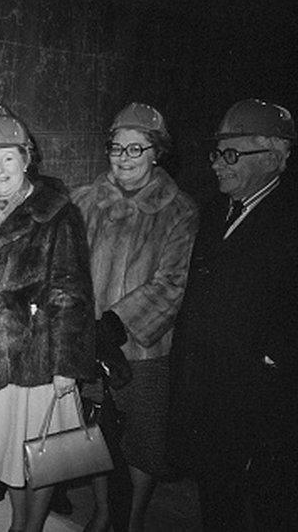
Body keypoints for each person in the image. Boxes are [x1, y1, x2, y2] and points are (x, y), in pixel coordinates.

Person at [170, 99, 298, 530]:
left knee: (267, 504)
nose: (217, 166)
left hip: (262, 401)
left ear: (274, 156)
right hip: (208, 391)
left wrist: (270, 362)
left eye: (231, 154)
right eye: (216, 153)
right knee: (216, 497)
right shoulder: (214, 211)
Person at [0, 114, 97, 532]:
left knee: (40, 455)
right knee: (10, 454)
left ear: (27, 159)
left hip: (38, 357)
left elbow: (70, 292)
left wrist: (65, 366)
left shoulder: (56, 214)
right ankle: (18, 524)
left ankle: (30, 527)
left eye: (8, 158)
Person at [71, 103, 198, 532]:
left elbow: (173, 283)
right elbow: (66, 268)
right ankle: (104, 512)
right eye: (116, 148)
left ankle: (135, 518)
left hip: (143, 351)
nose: (124, 158)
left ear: (156, 153)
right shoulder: (85, 201)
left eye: (136, 149)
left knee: (142, 443)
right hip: (88, 343)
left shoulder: (179, 210)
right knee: (97, 435)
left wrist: (118, 321)